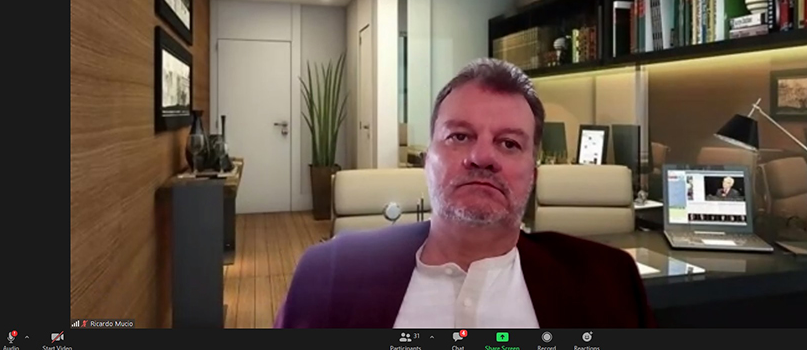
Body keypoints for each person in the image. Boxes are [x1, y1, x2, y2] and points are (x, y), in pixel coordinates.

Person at [275, 58, 655, 328]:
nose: (482, 157)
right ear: (427, 160)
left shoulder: (609, 283)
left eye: (509, 143)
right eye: (459, 136)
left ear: (533, 175)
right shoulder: (329, 276)